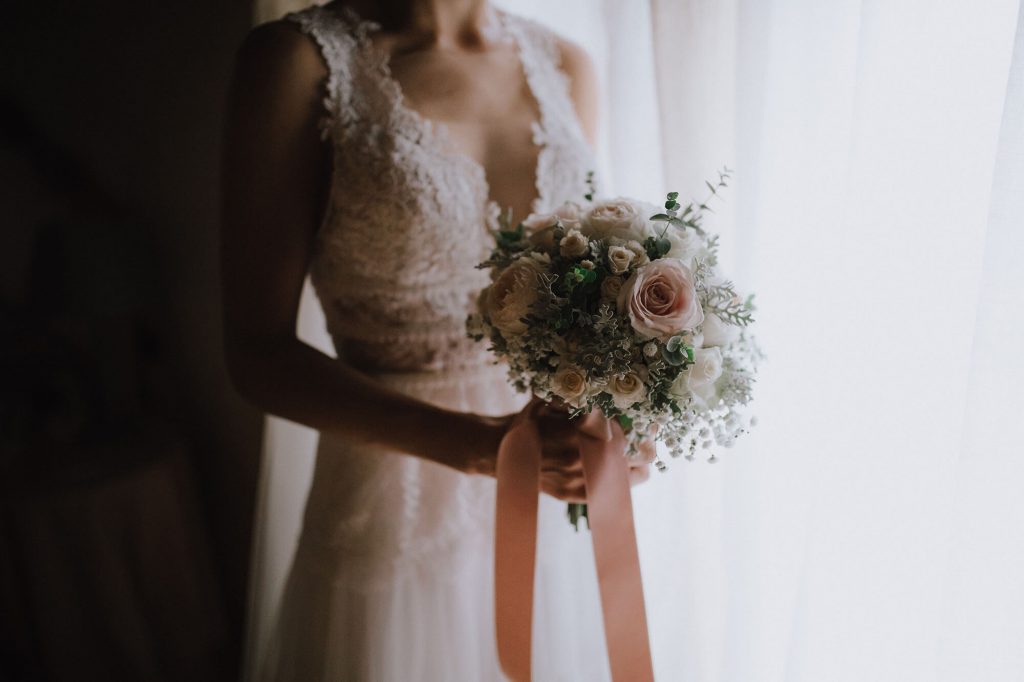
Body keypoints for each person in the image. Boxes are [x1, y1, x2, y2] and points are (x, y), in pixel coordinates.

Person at [221, 1, 649, 678]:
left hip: (545, 494)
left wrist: (621, 409)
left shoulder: (567, 65)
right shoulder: (299, 62)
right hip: (390, 505)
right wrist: (483, 448)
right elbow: (256, 353)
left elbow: (578, 295)